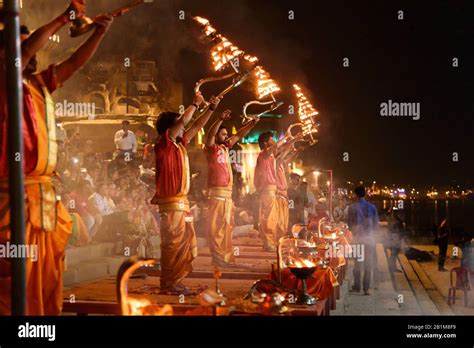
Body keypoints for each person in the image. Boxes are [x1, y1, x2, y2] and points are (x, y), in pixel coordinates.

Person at [0, 1, 113, 315]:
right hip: (13, 202)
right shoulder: (2, 81)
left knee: (46, 281)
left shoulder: (37, 85)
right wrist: (66, 18)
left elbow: (74, 63)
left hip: (43, 200)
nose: (30, 49)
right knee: (15, 286)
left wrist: (98, 34)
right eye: (22, 43)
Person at [150, 91, 222, 294]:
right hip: (172, 203)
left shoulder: (179, 144)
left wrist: (210, 108)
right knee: (172, 244)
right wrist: (195, 104)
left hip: (182, 203)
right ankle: (169, 284)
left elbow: (197, 126)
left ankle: (177, 281)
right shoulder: (163, 143)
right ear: (170, 128)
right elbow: (184, 122)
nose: (183, 129)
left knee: (183, 243)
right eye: (179, 126)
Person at [203, 110, 259, 266]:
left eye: (226, 134)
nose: (226, 137)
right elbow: (209, 135)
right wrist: (219, 119)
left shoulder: (226, 148)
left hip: (227, 197)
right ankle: (218, 258)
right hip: (217, 195)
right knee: (217, 228)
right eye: (222, 134)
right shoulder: (211, 149)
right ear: (216, 137)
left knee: (227, 227)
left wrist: (251, 124)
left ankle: (225, 257)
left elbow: (239, 136)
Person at [254, 131, 302, 251]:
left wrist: (294, 139)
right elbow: (279, 148)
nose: (275, 142)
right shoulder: (263, 154)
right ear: (265, 144)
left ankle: (274, 242)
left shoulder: (272, 158)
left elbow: (284, 149)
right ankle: (268, 243)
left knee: (279, 221)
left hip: (274, 191)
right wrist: (286, 137)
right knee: (269, 218)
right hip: (269, 191)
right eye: (272, 139)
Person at [347, 185, 379, 295]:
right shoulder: (372, 207)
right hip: (369, 240)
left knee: (357, 264)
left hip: (358, 240)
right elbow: (375, 225)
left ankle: (357, 287)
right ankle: (366, 289)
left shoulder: (352, 207)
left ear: (355, 195)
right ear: (364, 194)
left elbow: (349, 224)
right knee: (368, 265)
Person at [387, 207, 406, 273]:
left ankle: (392, 267)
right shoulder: (396, 221)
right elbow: (399, 230)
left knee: (393, 253)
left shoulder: (392, 220)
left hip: (393, 237)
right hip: (395, 237)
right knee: (394, 253)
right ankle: (392, 267)